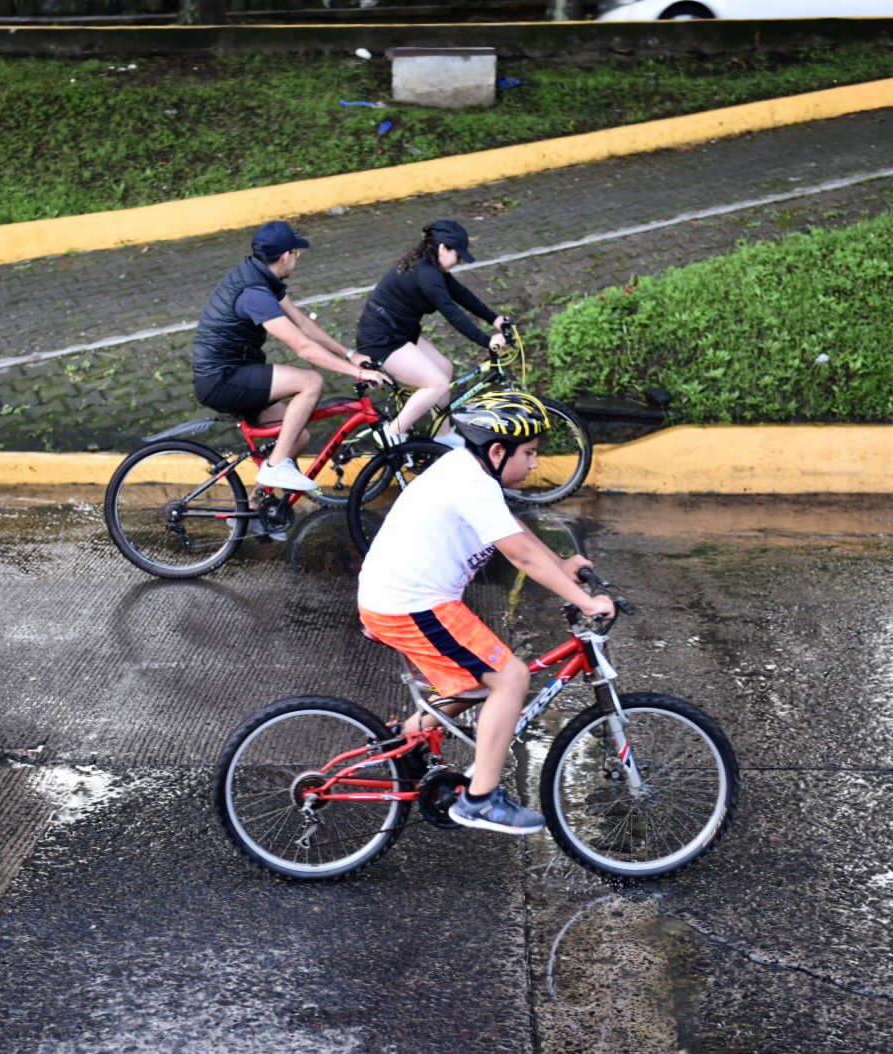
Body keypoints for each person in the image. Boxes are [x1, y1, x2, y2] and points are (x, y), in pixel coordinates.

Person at [357, 391, 615, 835]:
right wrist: (586, 602)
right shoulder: (470, 483)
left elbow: (518, 535)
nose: (534, 464)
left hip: (407, 600)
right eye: (529, 453)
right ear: (497, 452)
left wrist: (562, 568)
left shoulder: (470, 473)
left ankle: (406, 741)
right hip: (411, 604)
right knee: (510, 678)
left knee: (479, 680)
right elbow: (521, 556)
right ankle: (480, 800)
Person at [192, 221, 386, 493]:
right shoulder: (255, 294)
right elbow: (303, 347)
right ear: (285, 256)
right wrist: (358, 373)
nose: (297, 258)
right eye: (297, 253)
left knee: (297, 436)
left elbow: (302, 324)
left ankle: (259, 504)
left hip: (235, 372)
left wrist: (350, 354)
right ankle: (275, 466)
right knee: (311, 382)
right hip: (222, 379)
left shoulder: (261, 276)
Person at [355, 219, 506, 446]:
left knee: (444, 369)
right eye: (458, 255)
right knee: (437, 384)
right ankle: (392, 434)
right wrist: (486, 341)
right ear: (443, 248)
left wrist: (495, 319)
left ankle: (443, 436)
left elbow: (461, 294)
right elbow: (452, 313)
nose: (458, 261)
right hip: (382, 341)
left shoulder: (431, 266)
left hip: (400, 332)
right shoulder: (427, 274)